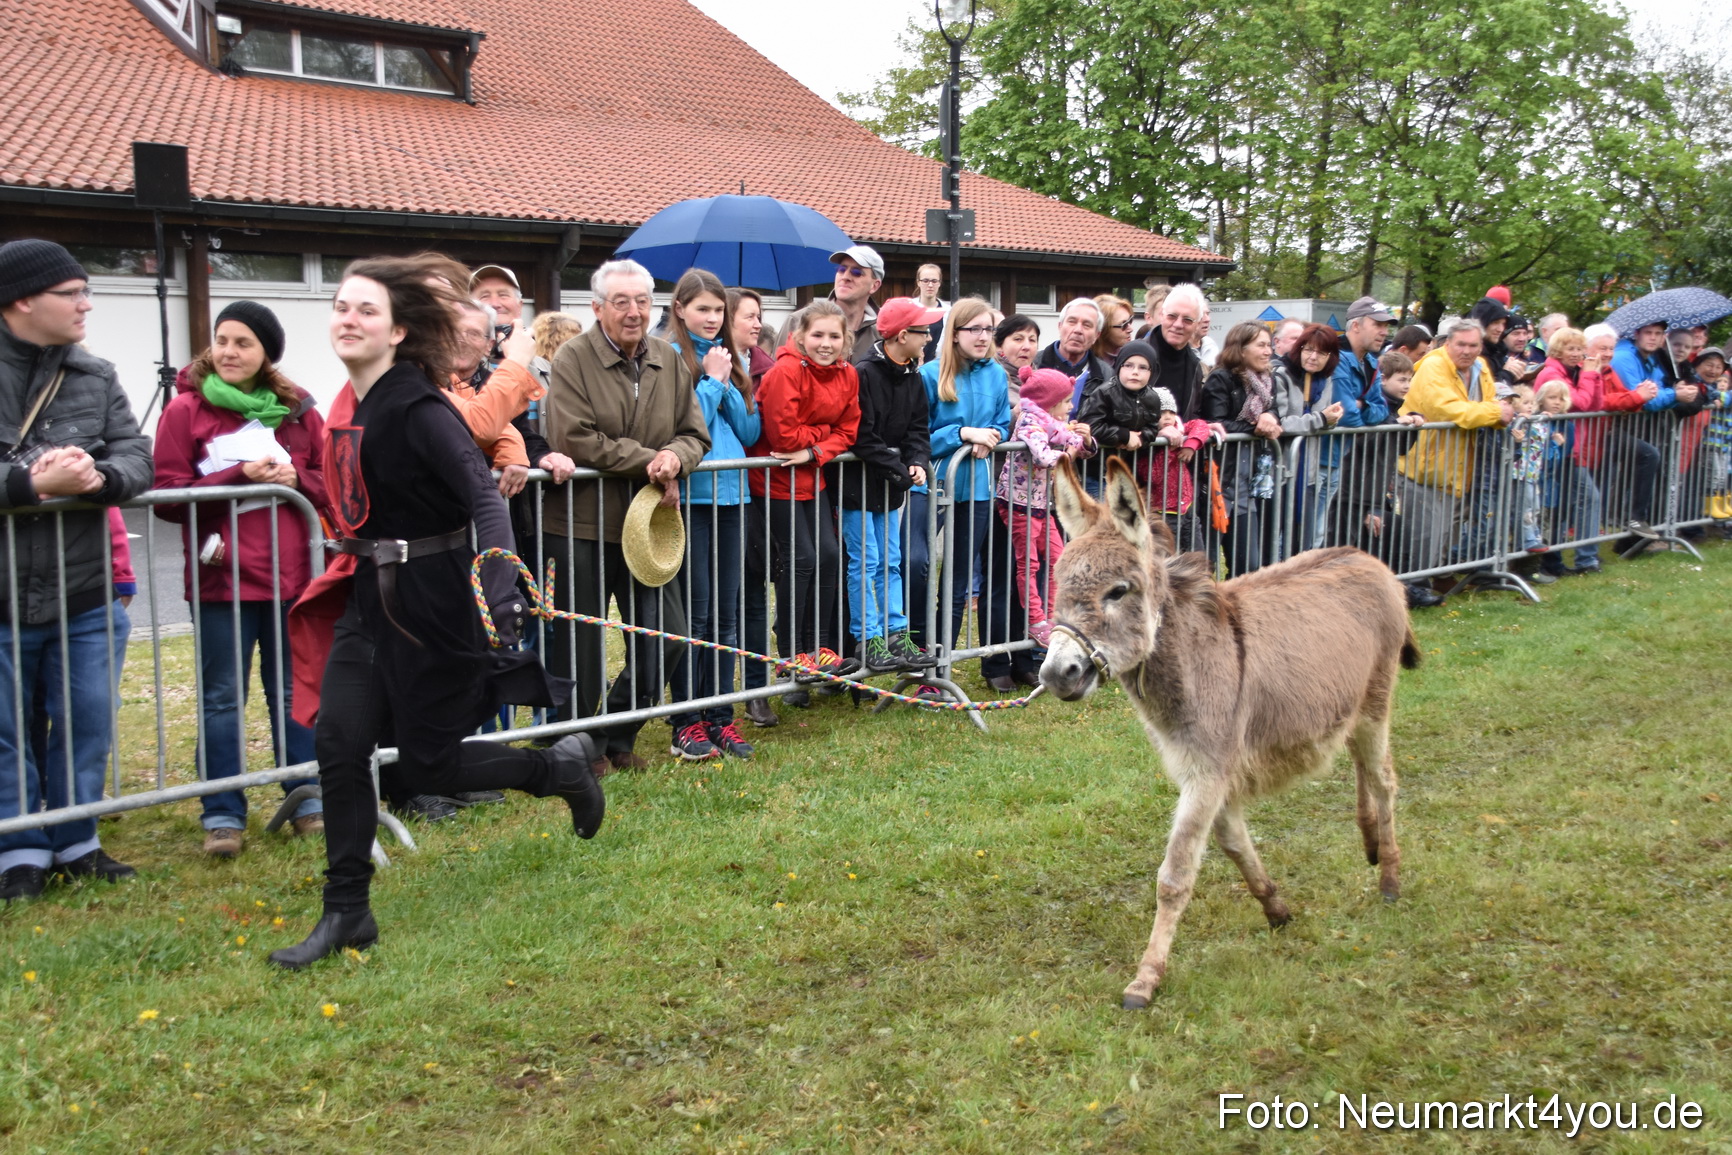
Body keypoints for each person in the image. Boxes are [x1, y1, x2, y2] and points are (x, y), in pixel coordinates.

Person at [272, 255, 603, 969]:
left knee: (428, 766)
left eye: (366, 309)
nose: (349, 318)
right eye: (340, 306)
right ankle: (347, 912)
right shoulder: (353, 404)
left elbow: (483, 495)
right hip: (369, 599)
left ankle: (558, 772)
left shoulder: (419, 407)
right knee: (341, 744)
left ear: (397, 331)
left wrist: (500, 576)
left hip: (432, 604)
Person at [0, 240, 153, 904]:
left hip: (84, 591)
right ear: (21, 300)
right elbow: (29, 481)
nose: (87, 303)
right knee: (6, 730)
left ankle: (76, 839)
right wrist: (29, 483)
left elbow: (137, 453)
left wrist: (102, 478)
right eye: (73, 293)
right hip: (2, 594)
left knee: (88, 719)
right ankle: (19, 850)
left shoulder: (95, 375)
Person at [152, 301, 327, 856]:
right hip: (220, 580)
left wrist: (296, 475)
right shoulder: (186, 410)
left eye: (242, 343)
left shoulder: (299, 411)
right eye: (221, 340)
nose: (228, 352)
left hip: (292, 578)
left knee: (295, 692)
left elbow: (331, 484)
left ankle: (306, 799)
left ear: (266, 355)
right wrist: (238, 474)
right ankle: (222, 812)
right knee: (222, 698)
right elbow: (166, 496)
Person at [542, 259, 712, 773]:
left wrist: (678, 457)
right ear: (597, 308)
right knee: (582, 648)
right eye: (621, 302)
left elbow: (695, 432)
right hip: (582, 524)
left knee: (668, 635)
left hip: (648, 526)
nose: (634, 312)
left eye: (642, 301)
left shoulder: (668, 357)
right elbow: (572, 437)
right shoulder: (572, 357)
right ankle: (575, 750)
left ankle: (616, 733)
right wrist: (649, 461)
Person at [660, 270, 760, 760]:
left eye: (719, 311)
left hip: (732, 498)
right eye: (702, 309)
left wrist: (731, 378)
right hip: (693, 500)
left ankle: (721, 716)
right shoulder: (669, 358)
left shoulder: (727, 357)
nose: (712, 319)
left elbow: (749, 428)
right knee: (695, 617)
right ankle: (687, 719)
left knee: (725, 618)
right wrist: (713, 382)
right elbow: (683, 426)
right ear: (679, 309)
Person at [911, 297, 1027, 691]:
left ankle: (940, 667)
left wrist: (993, 435)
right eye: (973, 329)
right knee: (919, 567)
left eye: (988, 330)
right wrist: (960, 434)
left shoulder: (996, 374)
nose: (982, 337)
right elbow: (917, 435)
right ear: (955, 333)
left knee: (958, 582)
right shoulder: (928, 374)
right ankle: (917, 656)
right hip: (930, 486)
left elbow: (1000, 423)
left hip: (976, 488)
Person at [747, 301, 860, 692]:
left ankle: (820, 647)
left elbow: (848, 431)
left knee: (829, 555)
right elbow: (783, 438)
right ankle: (792, 653)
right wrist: (823, 434)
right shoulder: (785, 372)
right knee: (801, 558)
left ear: (845, 340)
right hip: (777, 481)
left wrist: (815, 448)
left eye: (834, 336)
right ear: (800, 337)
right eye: (817, 335)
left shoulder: (847, 375)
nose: (825, 343)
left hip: (813, 476)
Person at [840, 298, 934, 674]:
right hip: (858, 488)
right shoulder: (862, 373)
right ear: (901, 335)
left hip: (889, 488)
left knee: (891, 563)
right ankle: (868, 639)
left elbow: (918, 429)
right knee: (865, 563)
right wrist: (900, 467)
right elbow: (861, 435)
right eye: (922, 331)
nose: (928, 337)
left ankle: (897, 634)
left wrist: (917, 462)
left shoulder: (914, 376)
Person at [1202, 322, 1335, 576]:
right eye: (1261, 345)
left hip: (1247, 486)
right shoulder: (1221, 378)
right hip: (1219, 483)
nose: (1268, 352)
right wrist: (1255, 425)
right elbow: (1215, 422)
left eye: (1269, 345)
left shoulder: (1267, 379)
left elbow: (1273, 409)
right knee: (1206, 566)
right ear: (1241, 349)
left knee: (1250, 566)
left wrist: (1270, 417)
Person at [1395, 318, 1513, 570]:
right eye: (1461, 344)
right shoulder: (1433, 366)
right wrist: (1494, 414)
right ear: (1448, 343)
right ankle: (1415, 583)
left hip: (1459, 467)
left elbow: (1491, 402)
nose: (1467, 351)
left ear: (1481, 346)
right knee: (1425, 534)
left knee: (1449, 530)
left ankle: (1436, 577)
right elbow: (1450, 410)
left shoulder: (1480, 367)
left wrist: (1494, 412)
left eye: (1473, 345)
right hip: (1425, 467)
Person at [1080, 339, 1209, 552]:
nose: (1135, 372)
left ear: (1152, 372)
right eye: (1128, 366)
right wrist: (1123, 435)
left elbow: (1151, 426)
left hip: (1128, 473)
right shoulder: (1104, 393)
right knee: (1102, 530)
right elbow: (1091, 425)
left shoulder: (1152, 397)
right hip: (1098, 471)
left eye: (1142, 368)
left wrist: (1143, 436)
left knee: (1126, 532)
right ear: (1118, 367)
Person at [997, 366, 1093, 646]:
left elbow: (1073, 441)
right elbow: (1042, 456)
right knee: (1029, 563)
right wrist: (1069, 454)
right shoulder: (1030, 422)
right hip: (1018, 504)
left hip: (1040, 503)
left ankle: (1053, 615)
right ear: (1050, 403)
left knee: (1058, 558)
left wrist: (1083, 439)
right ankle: (1036, 619)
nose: (1071, 406)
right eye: (1066, 402)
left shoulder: (1050, 422)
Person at [1333, 351, 1438, 606]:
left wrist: (1411, 425)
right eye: (1401, 380)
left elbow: (1398, 450)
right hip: (1352, 490)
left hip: (1373, 490)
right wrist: (1392, 422)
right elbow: (1365, 444)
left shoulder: (1393, 409)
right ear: (1383, 380)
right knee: (1342, 547)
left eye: (1409, 380)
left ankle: (1401, 589)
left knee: (1393, 531)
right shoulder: (1376, 409)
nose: (1407, 386)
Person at [727, 288, 784, 728]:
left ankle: (756, 687)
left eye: (759, 315)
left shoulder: (763, 368)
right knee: (717, 602)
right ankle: (706, 697)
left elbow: (753, 430)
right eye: (748, 315)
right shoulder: (696, 365)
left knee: (752, 594)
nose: (757, 323)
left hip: (757, 495)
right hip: (716, 494)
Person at [1531, 326, 1622, 578]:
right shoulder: (1552, 373)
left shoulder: (1574, 373)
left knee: (1563, 505)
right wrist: (1589, 376)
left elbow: (1595, 403)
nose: (1577, 353)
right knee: (1583, 499)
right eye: (1571, 348)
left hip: (1570, 448)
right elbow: (1577, 404)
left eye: (1580, 349)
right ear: (1558, 349)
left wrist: (1595, 375)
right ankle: (1584, 558)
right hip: (1556, 449)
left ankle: (1567, 559)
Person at [1034, 298, 1111, 412]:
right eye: (1072, 322)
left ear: (1096, 335)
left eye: (1087, 325)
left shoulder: (1106, 375)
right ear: (1060, 326)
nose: (1078, 330)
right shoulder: (1034, 364)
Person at [1505, 383, 1555, 556]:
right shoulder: (1516, 422)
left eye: (1532, 402)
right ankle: (1526, 539)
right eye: (1526, 402)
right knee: (1524, 506)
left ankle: (1532, 536)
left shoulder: (1532, 419)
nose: (1531, 406)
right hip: (1518, 472)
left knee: (1534, 506)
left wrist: (1542, 417)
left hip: (1532, 472)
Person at [1150, 285, 1208, 418]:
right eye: (1172, 316)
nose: (1178, 324)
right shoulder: (1137, 356)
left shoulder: (1196, 367)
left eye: (1187, 320)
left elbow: (1194, 414)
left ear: (1197, 324)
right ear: (1162, 315)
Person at [826, 245, 883, 358]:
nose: (845, 277)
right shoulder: (800, 321)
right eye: (841, 269)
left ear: (874, 286)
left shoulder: (883, 334)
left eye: (856, 272)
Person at [993, 314, 1042, 400]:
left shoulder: (1044, 383)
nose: (1027, 347)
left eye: (1032, 340)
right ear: (999, 345)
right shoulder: (990, 382)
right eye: (1018, 339)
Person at [1092, 294, 1135, 363]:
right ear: (1103, 329)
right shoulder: (1087, 364)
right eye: (1124, 325)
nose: (1130, 329)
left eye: (1130, 320)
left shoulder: (1134, 356)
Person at [1496, 314, 1536, 387]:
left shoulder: (1529, 358)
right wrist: (1506, 373)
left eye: (1525, 333)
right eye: (1516, 334)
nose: (1522, 339)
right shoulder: (1493, 361)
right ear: (1503, 336)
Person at [1194, 303, 1220, 373]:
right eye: (1201, 315)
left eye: (1208, 314)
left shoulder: (1211, 345)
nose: (1207, 319)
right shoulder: (1179, 347)